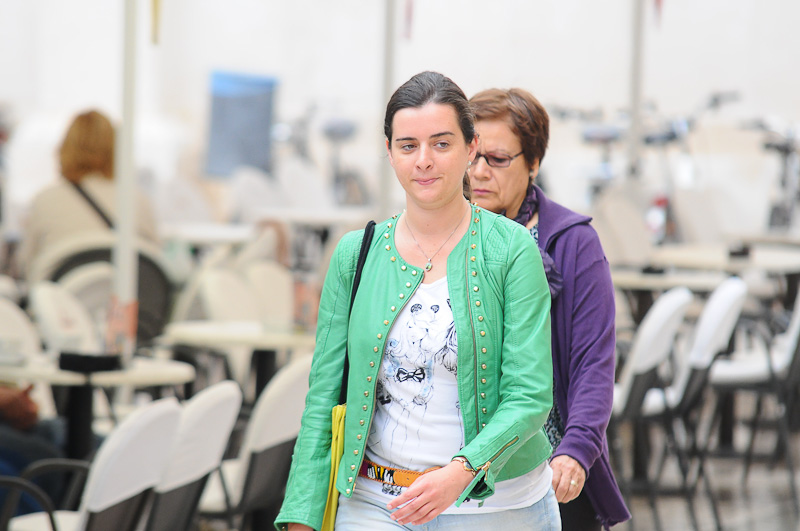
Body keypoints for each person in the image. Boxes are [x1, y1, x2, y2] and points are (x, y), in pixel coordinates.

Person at [275, 71, 558, 530]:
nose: (424, 160)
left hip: (494, 507)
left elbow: (529, 395)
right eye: (408, 146)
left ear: (471, 147)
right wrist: (301, 516)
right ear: (389, 153)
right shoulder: (355, 254)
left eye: (441, 144)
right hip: (374, 503)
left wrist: (462, 472)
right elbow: (323, 398)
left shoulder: (511, 251)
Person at [468, 87, 630, 529]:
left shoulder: (573, 244)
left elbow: (594, 364)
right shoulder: (443, 237)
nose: (479, 172)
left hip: (548, 472)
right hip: (457, 470)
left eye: (497, 159)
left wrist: (576, 451)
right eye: (472, 156)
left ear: (534, 162)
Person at [17, 109, 159, 277]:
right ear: (116, 150)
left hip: (62, 291)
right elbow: (156, 262)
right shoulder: (137, 200)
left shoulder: (44, 201)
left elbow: (25, 265)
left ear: (64, 148)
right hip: (127, 292)